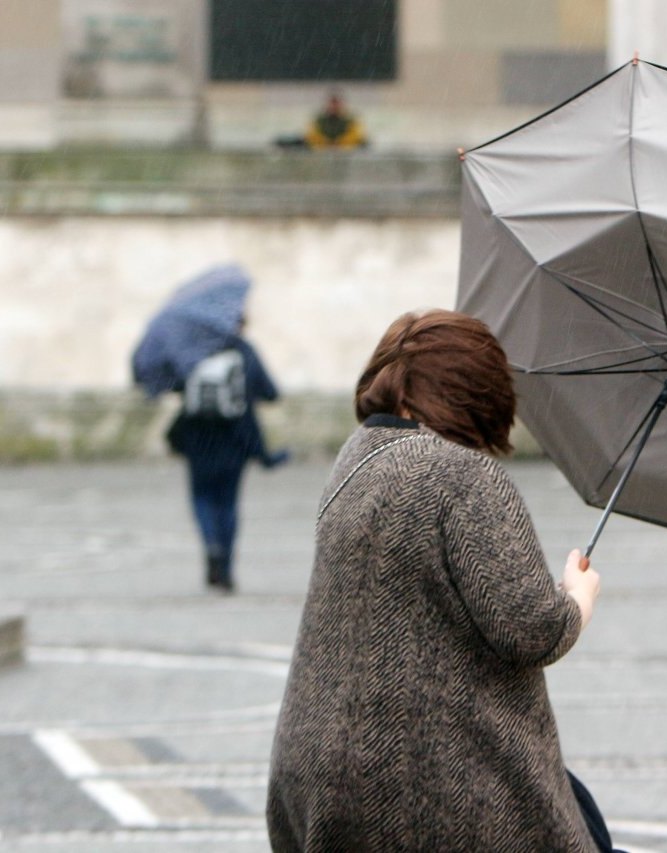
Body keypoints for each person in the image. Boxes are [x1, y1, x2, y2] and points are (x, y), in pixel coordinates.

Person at [266, 310, 611, 852]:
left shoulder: (355, 459)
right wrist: (577, 599)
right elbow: (531, 629)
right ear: (477, 394)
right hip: (427, 779)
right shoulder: (460, 475)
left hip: (318, 772)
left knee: (577, 803)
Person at [166, 319, 288, 592]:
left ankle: (211, 546)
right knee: (229, 503)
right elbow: (270, 392)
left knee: (202, 498)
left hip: (199, 440)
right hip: (235, 439)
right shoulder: (244, 351)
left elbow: (174, 384)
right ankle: (227, 568)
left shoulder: (192, 351)